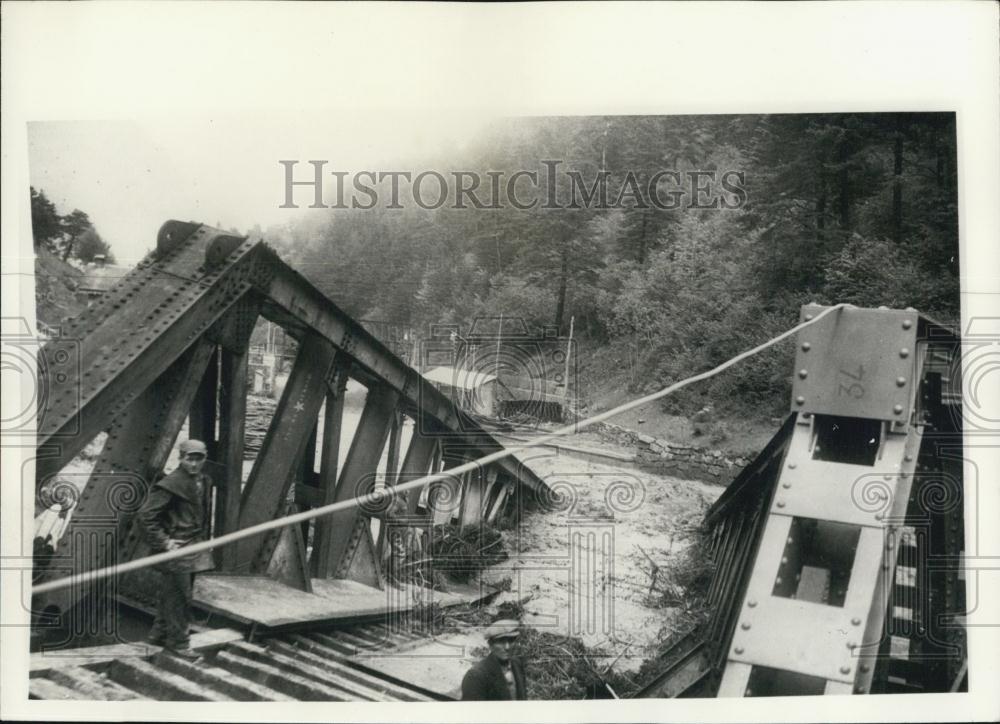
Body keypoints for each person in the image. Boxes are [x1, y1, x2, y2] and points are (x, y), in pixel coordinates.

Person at [136, 439, 214, 659]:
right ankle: (179, 644)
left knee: (172, 594)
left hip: (193, 547)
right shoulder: (172, 483)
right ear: (180, 459)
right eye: (190, 459)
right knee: (180, 598)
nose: (194, 464)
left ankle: (158, 635)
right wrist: (165, 543)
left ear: (205, 458)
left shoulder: (204, 480)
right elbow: (145, 516)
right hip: (177, 550)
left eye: (199, 459)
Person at [460, 619, 527, 700]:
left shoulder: (517, 664)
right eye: (501, 642)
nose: (507, 647)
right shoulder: (476, 676)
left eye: (511, 641)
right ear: (490, 644)